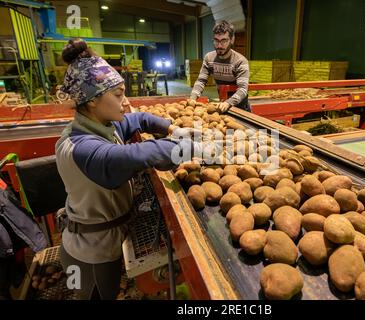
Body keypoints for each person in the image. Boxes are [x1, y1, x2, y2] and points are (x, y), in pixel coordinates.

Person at [55, 39, 199, 300]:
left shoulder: (101, 125)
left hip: (104, 239)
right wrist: (195, 148)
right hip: (89, 255)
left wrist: (172, 129)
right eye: (119, 95)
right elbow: (141, 154)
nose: (126, 102)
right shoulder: (83, 149)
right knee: (97, 295)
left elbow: (139, 118)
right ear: (91, 102)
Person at [189, 20, 250, 113]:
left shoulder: (240, 61)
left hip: (240, 107)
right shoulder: (209, 58)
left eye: (224, 41)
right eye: (216, 41)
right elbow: (201, 81)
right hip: (222, 104)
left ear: (232, 40)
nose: (219, 45)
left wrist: (228, 103)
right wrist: (193, 98)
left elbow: (243, 89)